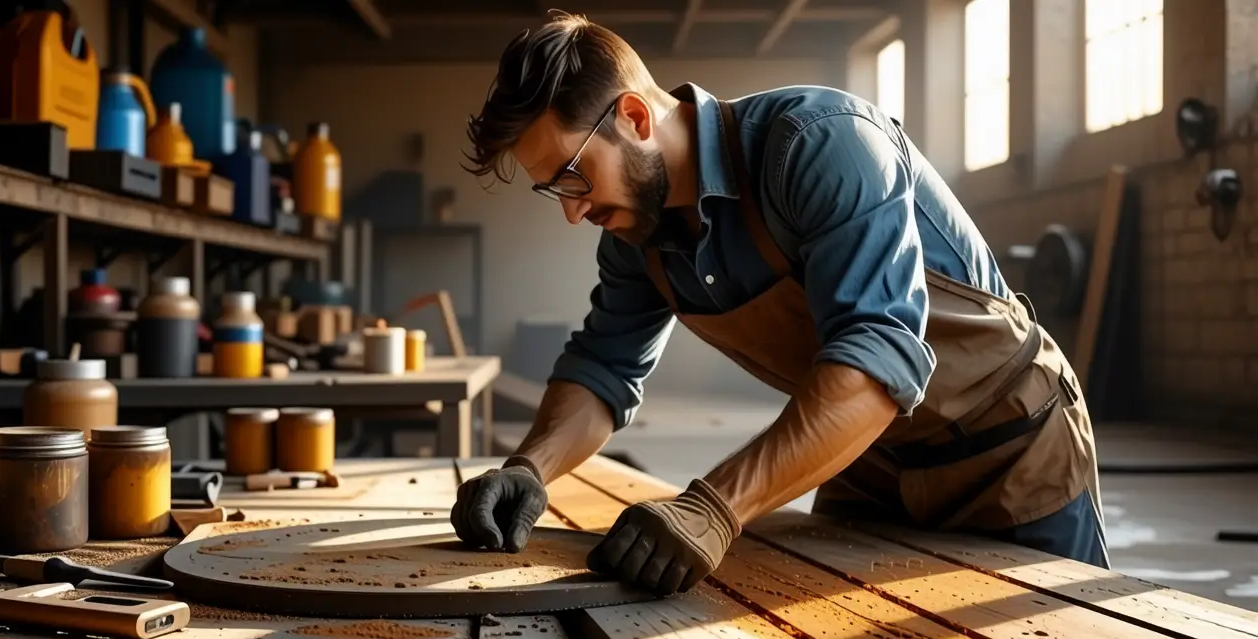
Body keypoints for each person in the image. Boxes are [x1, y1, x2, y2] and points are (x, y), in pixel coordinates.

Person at [450, 13, 1109, 596]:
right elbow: (603, 370)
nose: (573, 211)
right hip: (868, 466)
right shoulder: (635, 235)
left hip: (1011, 455)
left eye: (572, 174)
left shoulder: (820, 145)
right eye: (552, 191)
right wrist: (529, 469)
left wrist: (715, 506)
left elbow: (876, 366)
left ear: (634, 118)